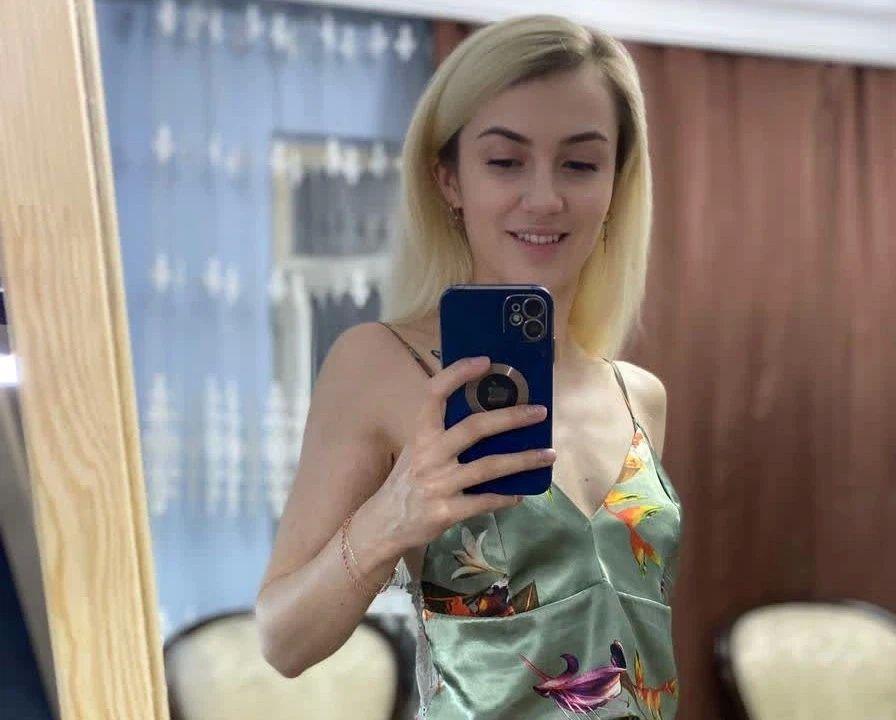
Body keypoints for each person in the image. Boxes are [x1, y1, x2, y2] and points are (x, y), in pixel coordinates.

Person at [256, 14, 683, 719]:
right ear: (449, 179)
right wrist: (393, 517)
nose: (544, 198)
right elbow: (281, 640)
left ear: (616, 183)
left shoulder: (639, 396)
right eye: (505, 161)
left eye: (580, 164)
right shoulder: (379, 365)